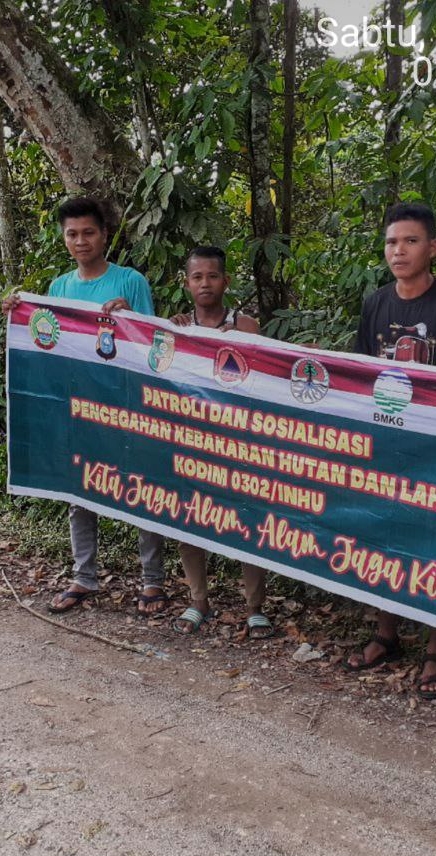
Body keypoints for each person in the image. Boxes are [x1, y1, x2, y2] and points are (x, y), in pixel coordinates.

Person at [347, 202, 436, 699]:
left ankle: (435, 648)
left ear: (432, 247)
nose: (399, 251)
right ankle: (386, 633)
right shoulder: (376, 303)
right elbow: (363, 370)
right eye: (391, 242)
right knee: (384, 531)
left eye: (410, 241)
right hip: (387, 437)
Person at [3, 196, 169, 616]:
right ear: (64, 238)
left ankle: (152, 581)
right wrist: (19, 313)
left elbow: (154, 346)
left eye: (89, 232)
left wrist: (131, 317)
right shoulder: (59, 288)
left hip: (127, 406)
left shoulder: (131, 281)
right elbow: (49, 341)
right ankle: (84, 577)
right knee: (79, 490)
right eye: (72, 234)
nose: (81, 241)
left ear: (105, 235)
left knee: (141, 489)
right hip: (80, 407)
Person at [167, 246, 273, 639]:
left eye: (212, 276)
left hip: (238, 440)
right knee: (188, 516)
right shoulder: (178, 326)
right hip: (193, 438)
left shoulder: (246, 326)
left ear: (226, 281)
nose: (205, 283)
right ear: (187, 283)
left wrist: (240, 343)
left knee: (247, 518)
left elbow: (264, 379)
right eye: (197, 277)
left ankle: (254, 607)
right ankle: (199, 601)